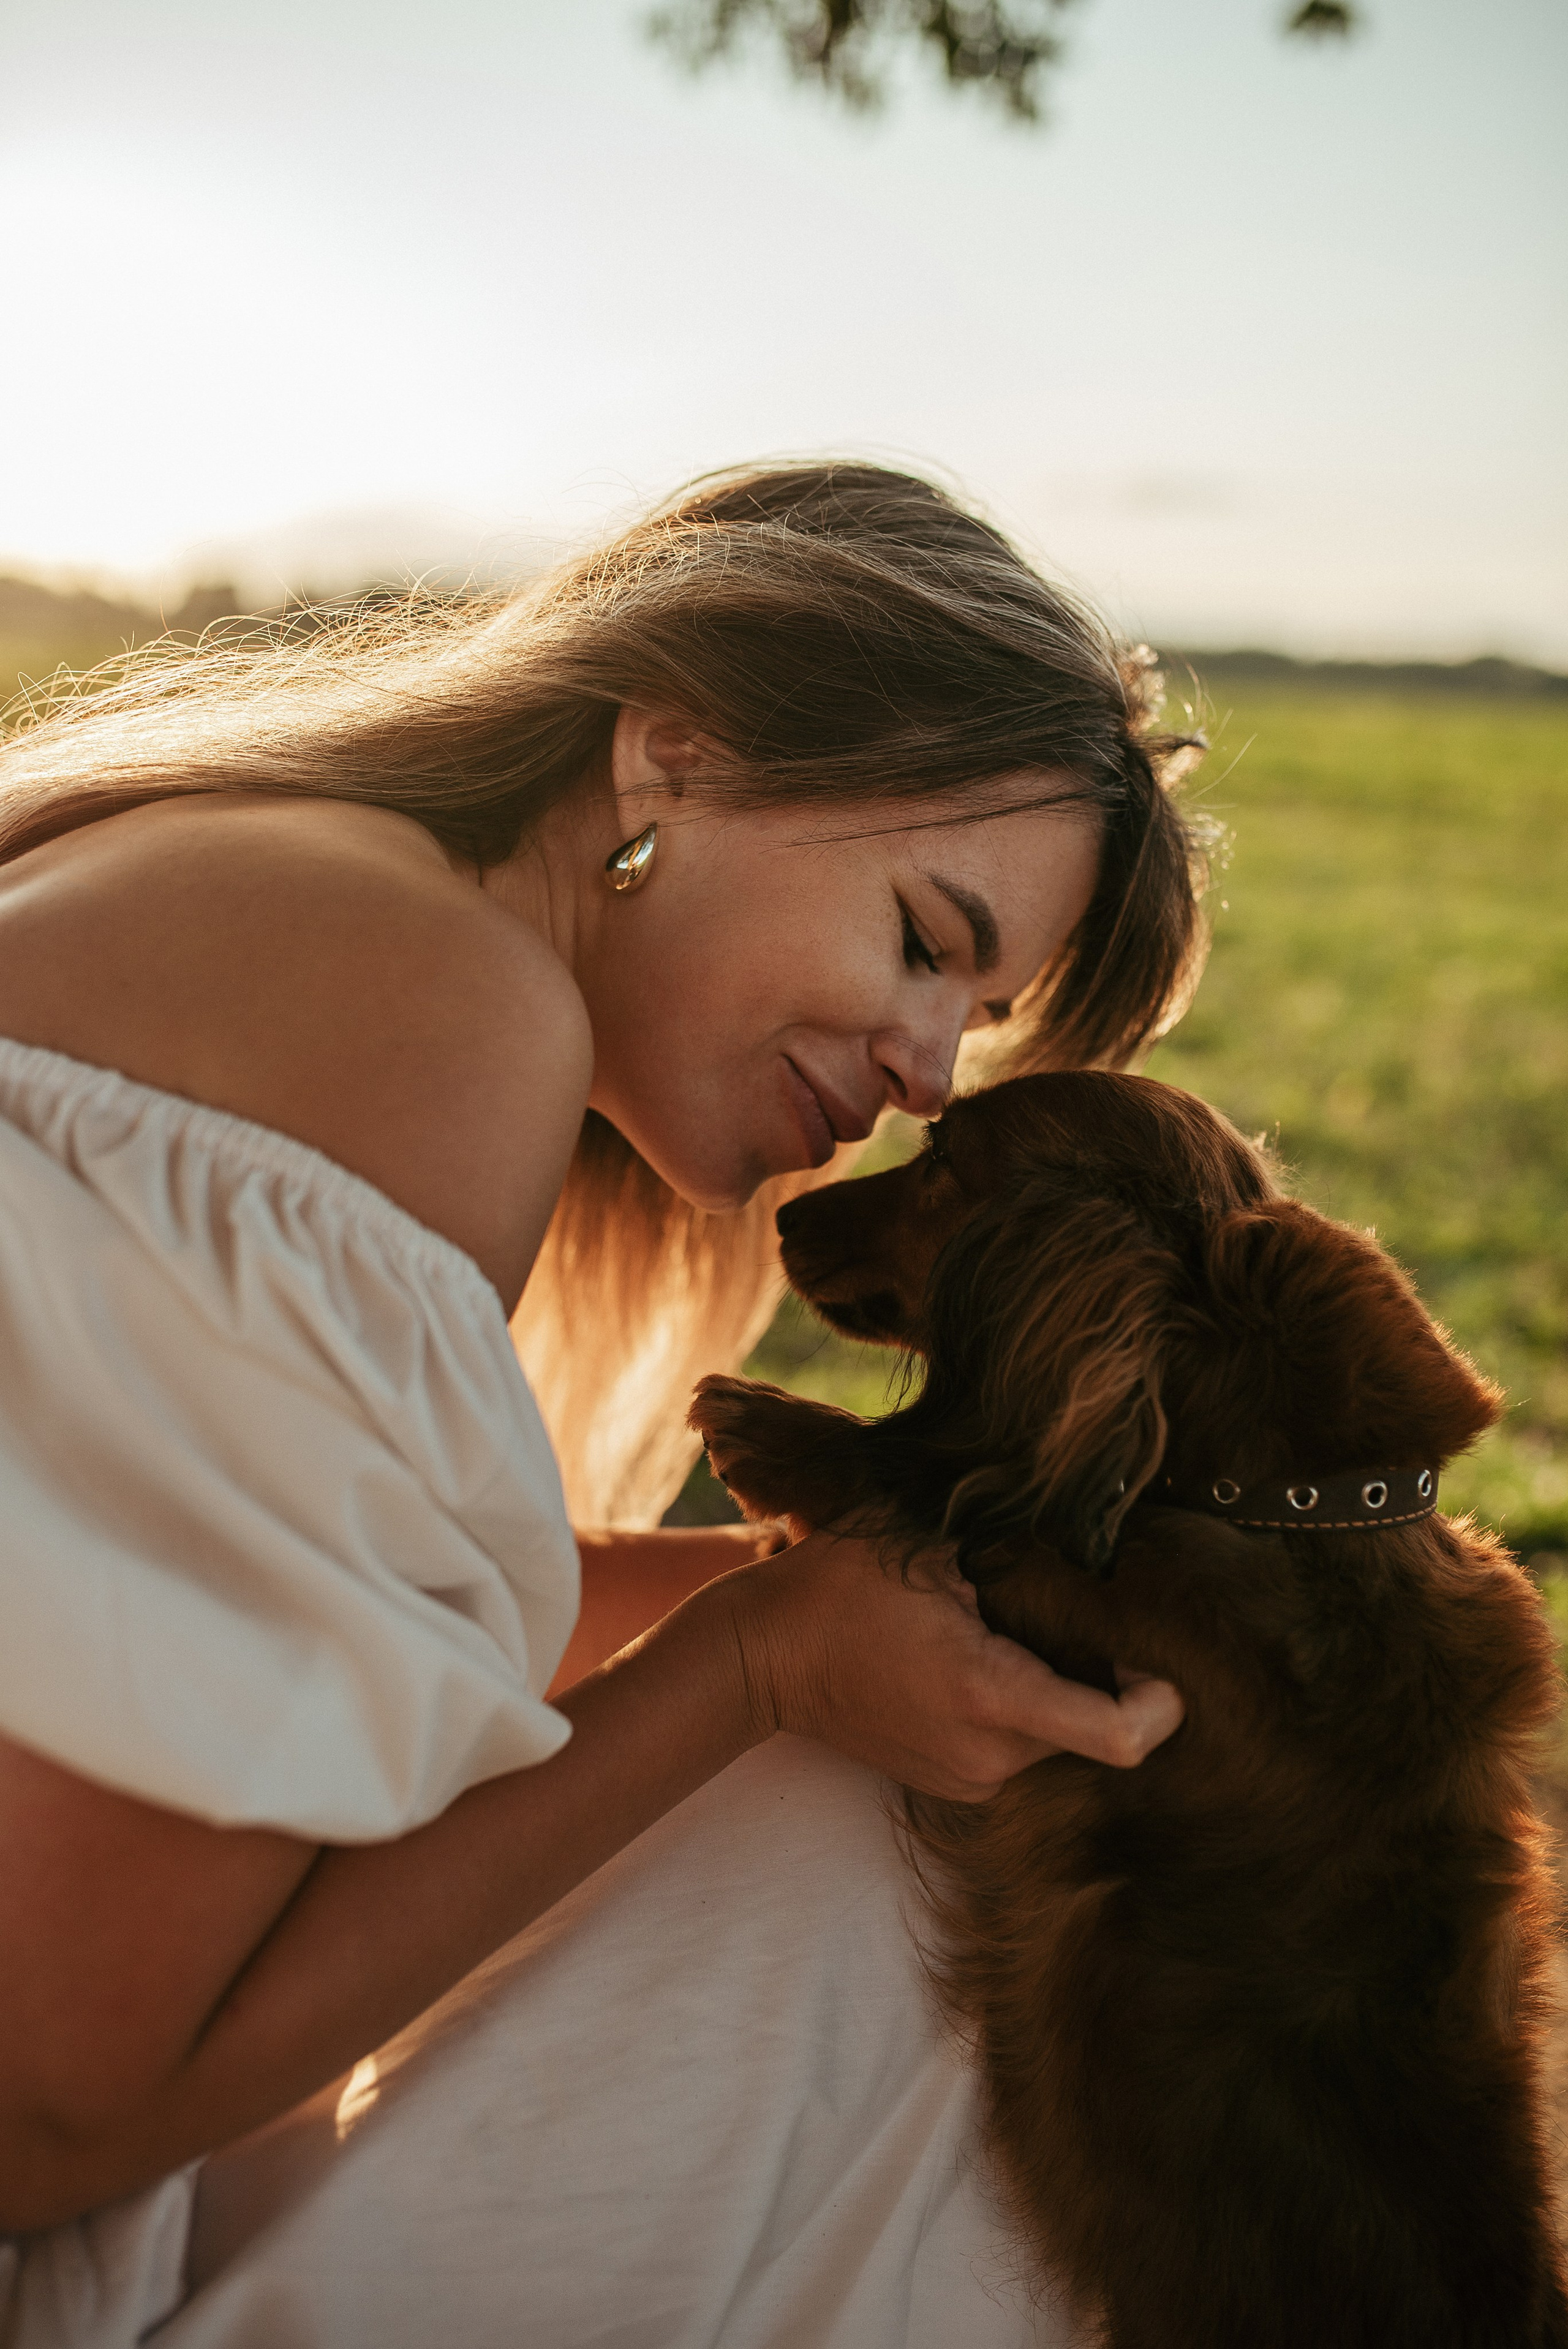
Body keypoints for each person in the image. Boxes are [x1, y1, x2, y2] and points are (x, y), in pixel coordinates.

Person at [0, 464, 1202, 2347]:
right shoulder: (431, 1004)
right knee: (890, 1914)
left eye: (982, 1014)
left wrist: (835, 1591)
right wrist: (755, 1665)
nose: (930, 1073)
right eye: (922, 936)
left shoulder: (270, 891)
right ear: (677, 753)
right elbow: (53, 2103)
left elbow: (206, 1638)